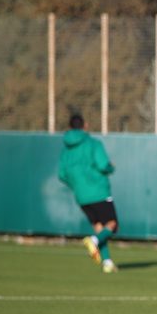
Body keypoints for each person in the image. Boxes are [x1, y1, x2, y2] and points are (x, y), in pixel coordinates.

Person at [58, 114, 119, 273]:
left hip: (81, 196)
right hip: (98, 191)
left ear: (70, 127)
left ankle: (107, 262)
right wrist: (111, 167)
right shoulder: (93, 143)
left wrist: (78, 184)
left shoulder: (66, 150)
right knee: (112, 224)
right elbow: (103, 164)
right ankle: (93, 241)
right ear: (85, 125)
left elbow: (62, 174)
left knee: (100, 227)